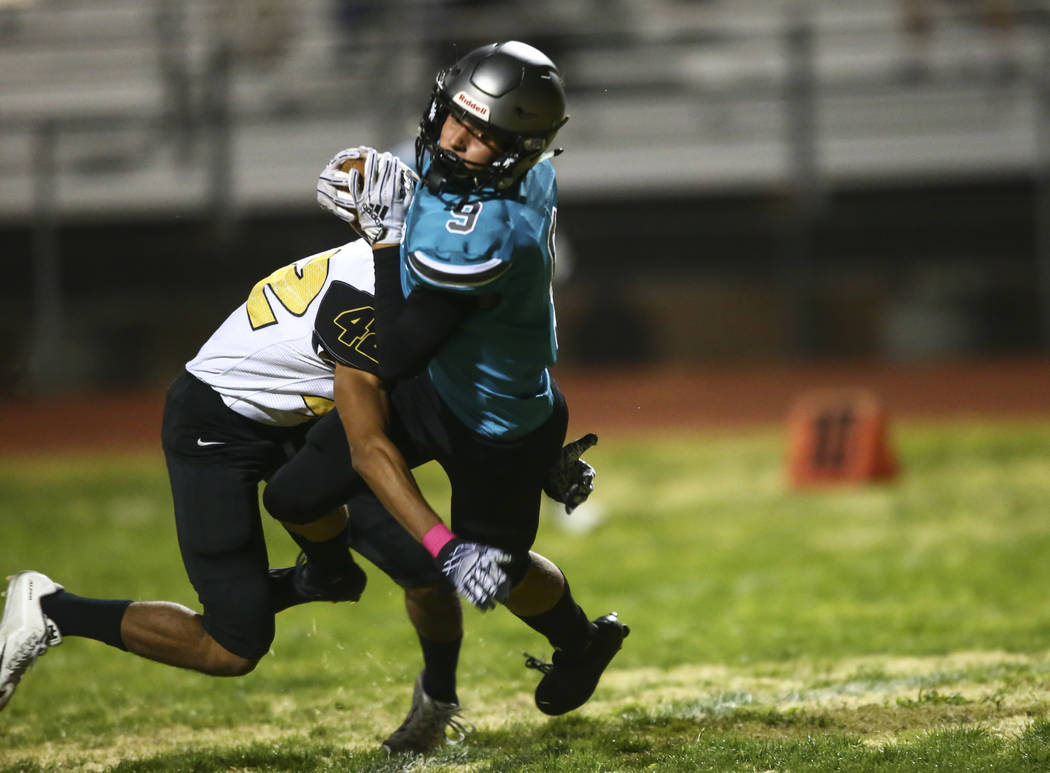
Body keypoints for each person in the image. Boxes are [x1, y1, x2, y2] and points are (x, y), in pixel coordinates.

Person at [0, 235, 596, 753]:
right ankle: (53, 609)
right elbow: (372, 447)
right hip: (220, 425)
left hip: (300, 420)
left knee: (422, 568)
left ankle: (435, 699)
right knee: (234, 645)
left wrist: (532, 458)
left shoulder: (416, 265)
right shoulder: (368, 310)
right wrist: (447, 539)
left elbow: (468, 378)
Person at [296, 39, 630, 719]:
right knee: (296, 490)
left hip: (497, 422)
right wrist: (375, 171)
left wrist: (384, 238)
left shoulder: (491, 230)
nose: (454, 137)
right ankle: (326, 570)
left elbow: (396, 354)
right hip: (451, 383)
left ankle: (580, 639)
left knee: (498, 572)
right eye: (455, 116)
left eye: (481, 135)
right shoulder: (515, 169)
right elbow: (435, 175)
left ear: (515, 149)